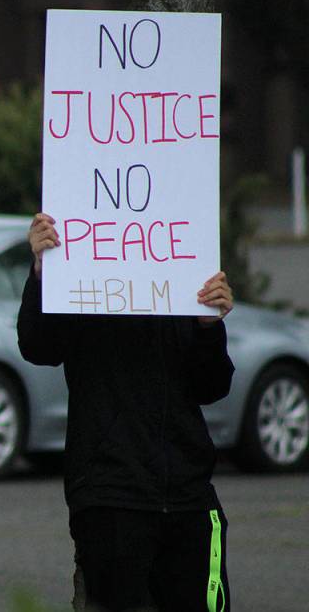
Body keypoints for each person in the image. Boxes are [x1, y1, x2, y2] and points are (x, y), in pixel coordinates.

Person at [17, 212, 234, 612]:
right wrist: (44, 273)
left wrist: (208, 327)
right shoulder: (83, 279)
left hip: (189, 496)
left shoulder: (182, 276)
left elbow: (213, 387)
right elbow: (37, 346)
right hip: (109, 496)